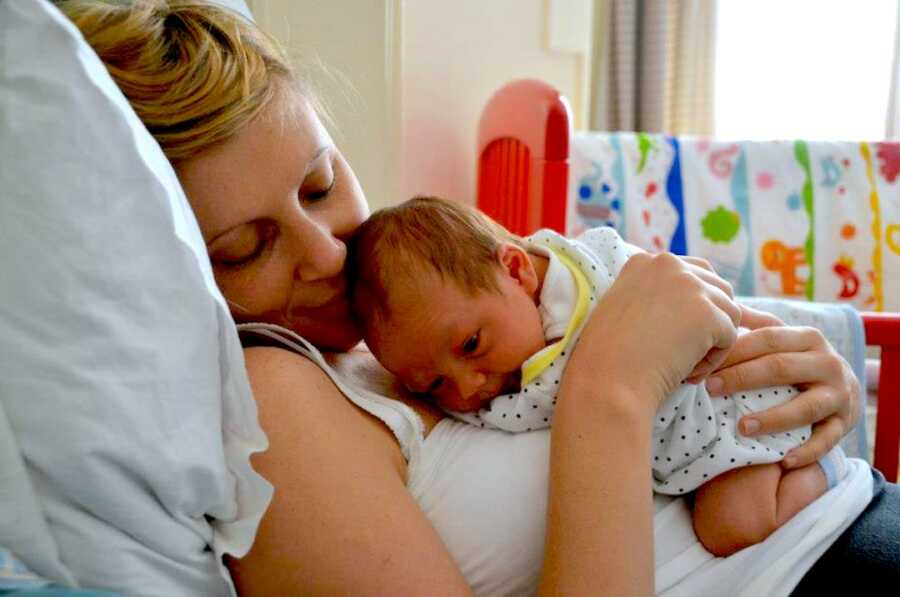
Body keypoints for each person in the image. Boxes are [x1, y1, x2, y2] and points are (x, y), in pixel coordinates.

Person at [58, 1, 899, 595]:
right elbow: (612, 380)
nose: (326, 249)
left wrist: (792, 364)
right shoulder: (269, 399)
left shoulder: (396, 305)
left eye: (320, 185)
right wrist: (616, 383)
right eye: (244, 247)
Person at [346, 195, 846, 557]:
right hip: (700, 442)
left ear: (518, 270)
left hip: (733, 418)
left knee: (734, 527)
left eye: (471, 345)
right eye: (434, 385)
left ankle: (826, 472)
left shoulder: (566, 331)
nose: (469, 387)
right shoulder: (523, 307)